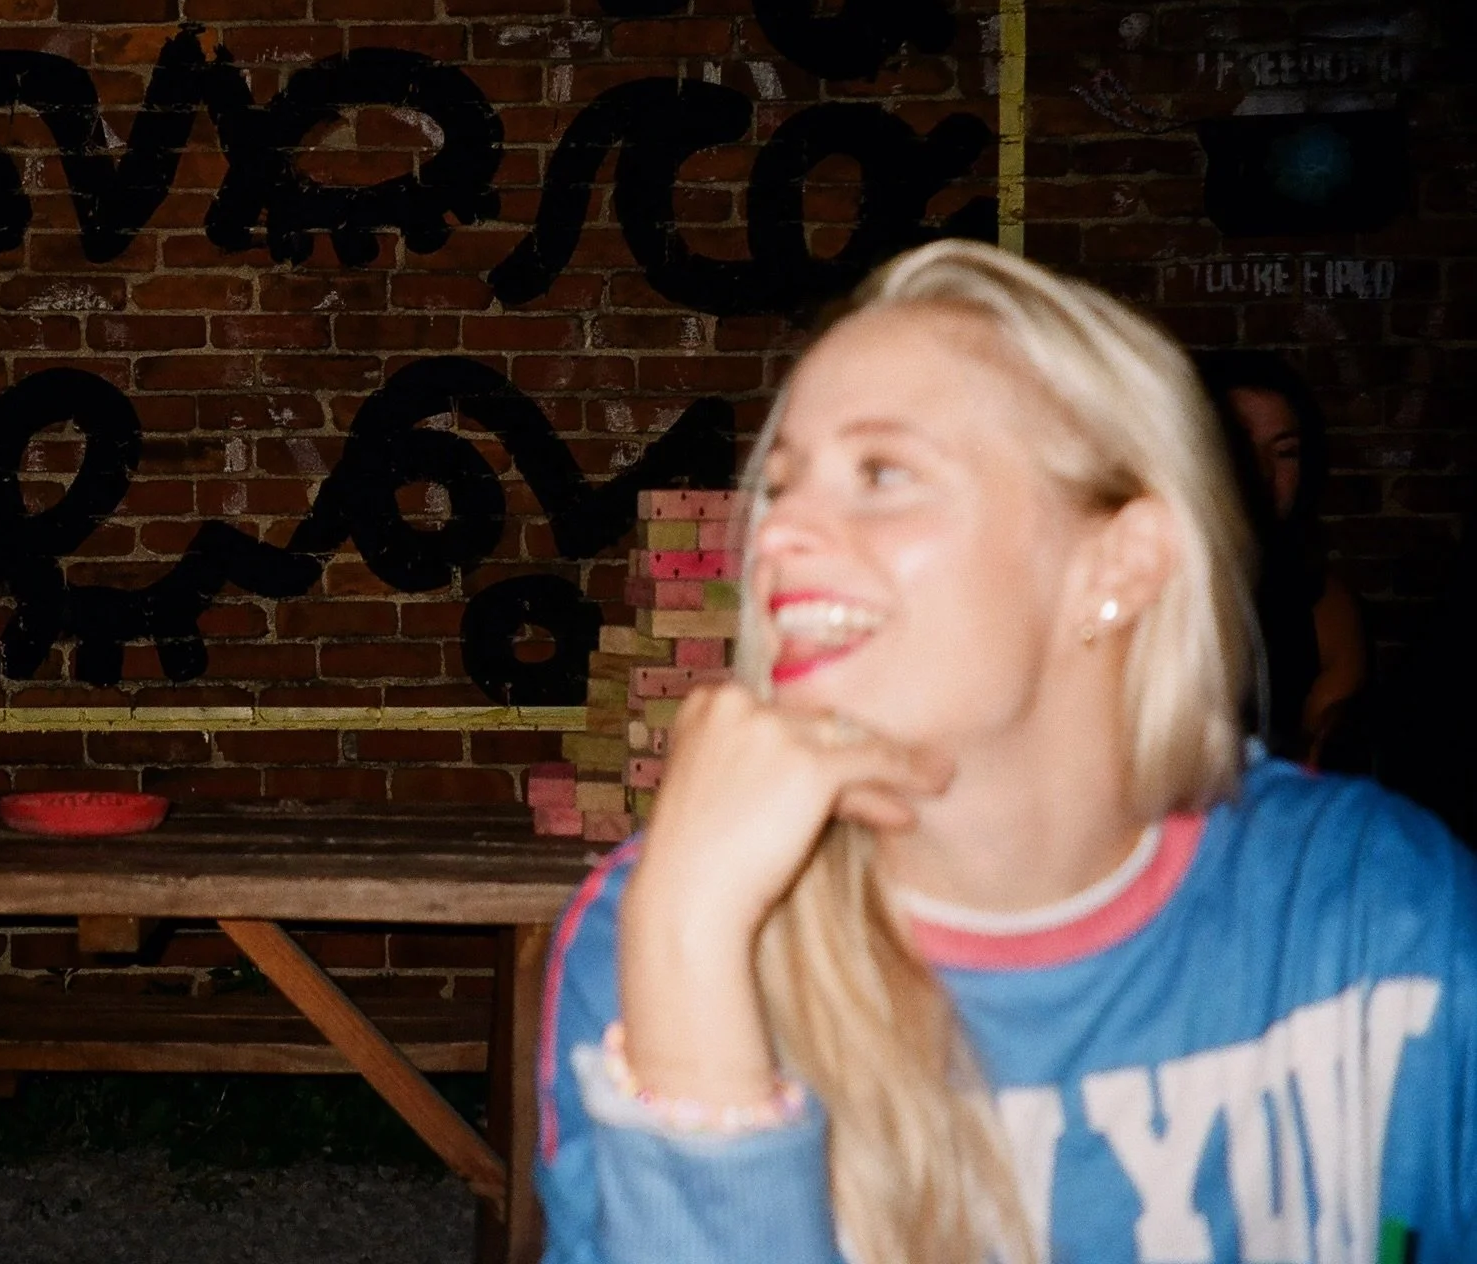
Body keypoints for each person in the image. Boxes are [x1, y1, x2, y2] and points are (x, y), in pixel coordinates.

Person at [539, 242, 1476, 1264]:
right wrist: (685, 937)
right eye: (779, 485)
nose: (776, 534)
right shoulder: (667, 916)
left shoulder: (1380, 911)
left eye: (883, 473)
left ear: (1120, 562)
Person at [1200, 349, 1366, 766]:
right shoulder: (1134, 585)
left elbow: (1321, 767)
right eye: (1239, 447)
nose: (1262, 471)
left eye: (1285, 451)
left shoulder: (1325, 609)